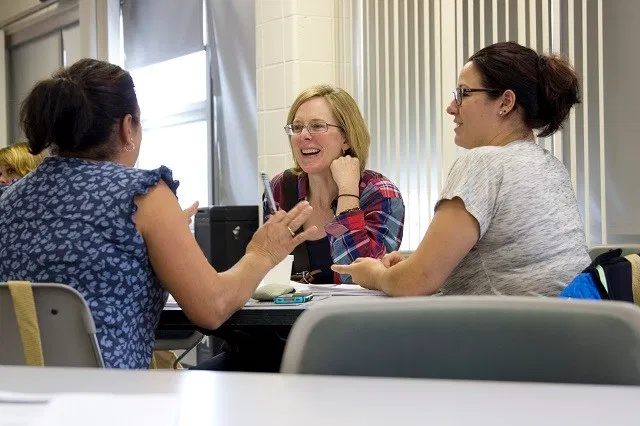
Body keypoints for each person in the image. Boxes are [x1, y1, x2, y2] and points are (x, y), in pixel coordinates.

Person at [0, 58, 318, 369]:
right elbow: (212, 307)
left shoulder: (8, 198)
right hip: (110, 404)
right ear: (128, 127)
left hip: (18, 401)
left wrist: (156, 236)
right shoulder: (142, 194)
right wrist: (263, 251)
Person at [333, 41, 590, 297]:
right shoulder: (549, 166)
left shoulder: (484, 163)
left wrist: (374, 274)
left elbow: (415, 282)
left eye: (463, 93)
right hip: (565, 328)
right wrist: (407, 269)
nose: (451, 107)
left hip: (513, 333)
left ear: (505, 102)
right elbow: (510, 267)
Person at [265, 84, 405, 284]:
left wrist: (348, 193)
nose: (304, 135)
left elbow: (356, 278)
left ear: (346, 138)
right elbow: (266, 272)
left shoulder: (381, 194)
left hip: (352, 314)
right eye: (297, 127)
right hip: (290, 313)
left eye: (317, 126)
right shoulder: (280, 188)